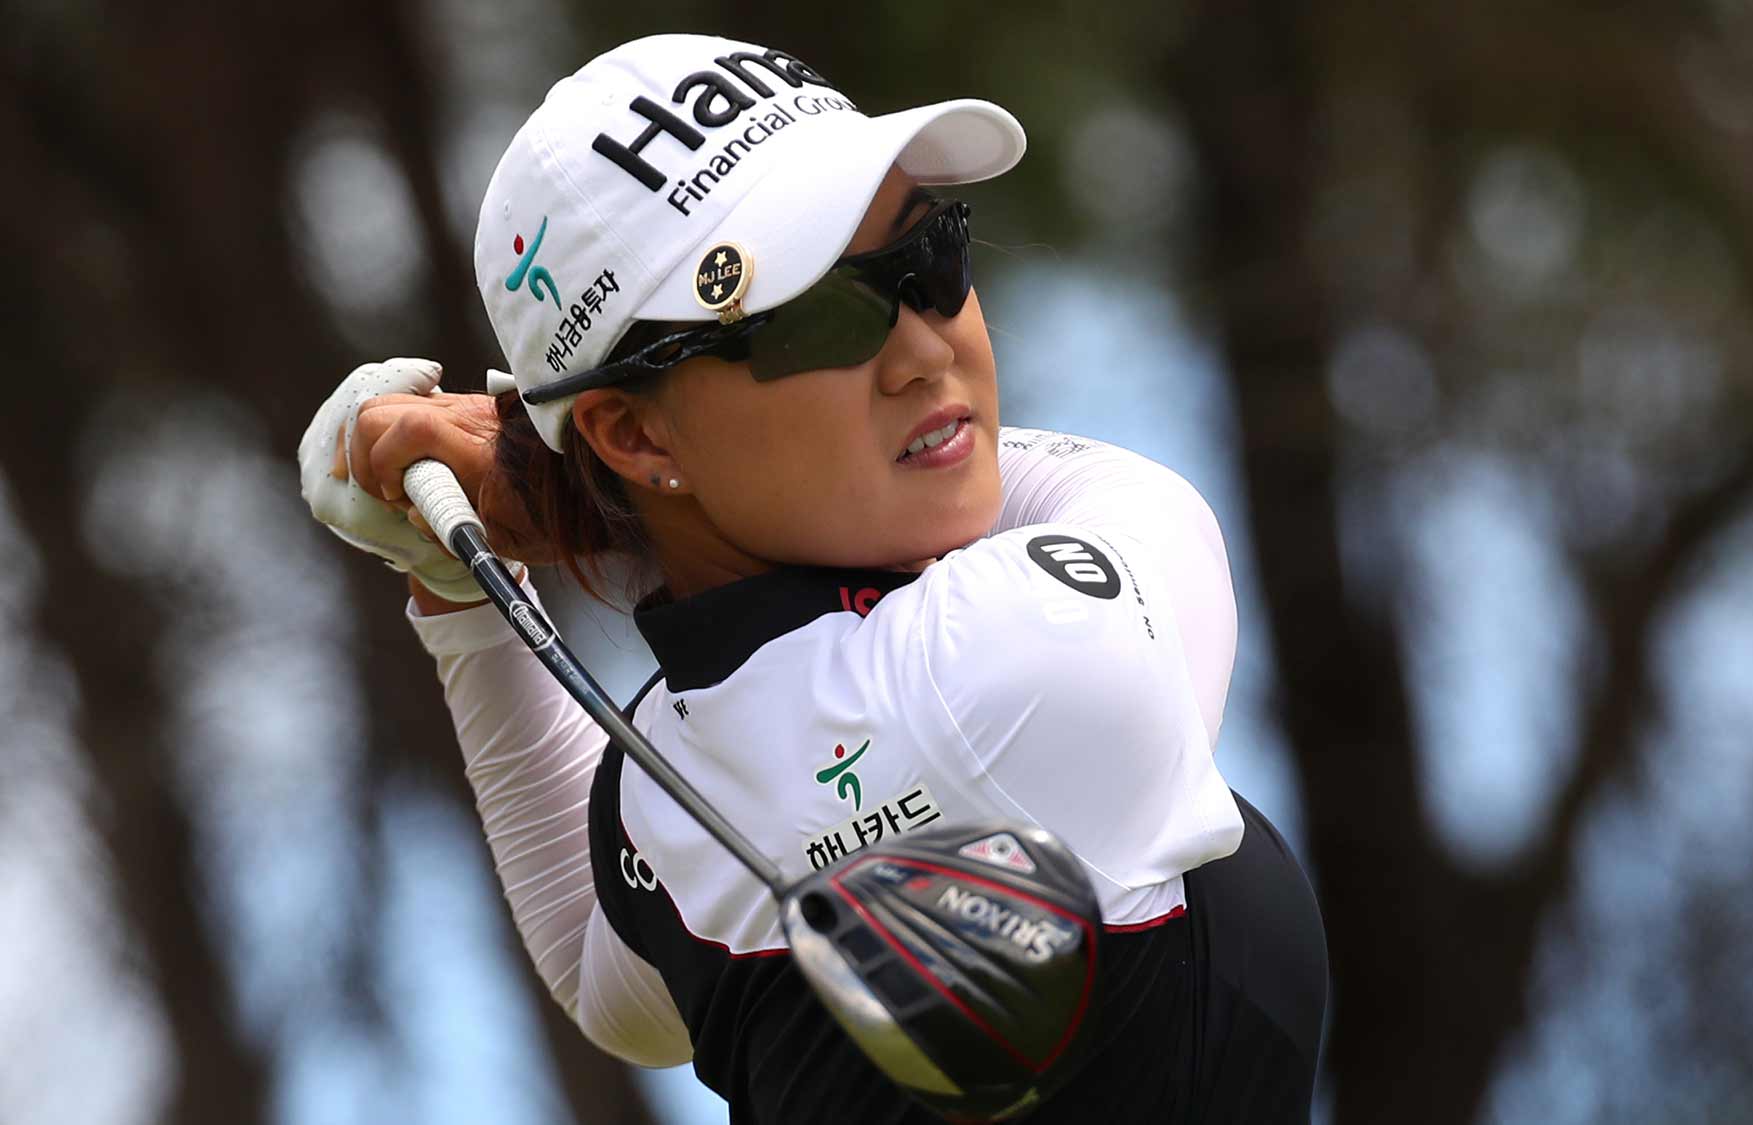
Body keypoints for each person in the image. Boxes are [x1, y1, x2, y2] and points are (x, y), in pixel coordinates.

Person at [298, 33, 1327, 1123]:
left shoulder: (662, 787)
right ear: (629, 435)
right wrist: (584, 519)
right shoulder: (1002, 667)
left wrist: (470, 586)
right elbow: (1147, 505)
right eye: (819, 316)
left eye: (929, 258)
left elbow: (610, 982)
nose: (924, 350)